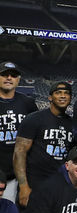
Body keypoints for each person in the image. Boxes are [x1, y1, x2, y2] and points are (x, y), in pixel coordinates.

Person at [13, 81, 73, 208]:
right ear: (50, 97)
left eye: (66, 93)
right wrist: (23, 186)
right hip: (34, 184)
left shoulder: (72, 123)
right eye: (58, 93)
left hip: (59, 186)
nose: (63, 96)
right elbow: (19, 152)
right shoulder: (33, 119)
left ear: (70, 98)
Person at [0, 61, 37, 203]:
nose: (9, 78)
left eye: (13, 75)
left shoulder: (28, 103)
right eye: (4, 74)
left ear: (18, 79)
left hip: (20, 175)